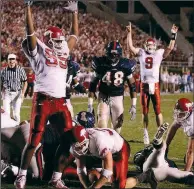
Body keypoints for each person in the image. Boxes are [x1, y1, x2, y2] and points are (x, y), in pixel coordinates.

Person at [14, 1, 78, 189]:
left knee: (69, 140)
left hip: (60, 101)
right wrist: (27, 9)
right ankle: (21, 175)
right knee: (34, 140)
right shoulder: (40, 49)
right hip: (43, 99)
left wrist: (75, 13)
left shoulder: (64, 50)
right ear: (48, 40)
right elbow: (30, 33)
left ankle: (56, 178)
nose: (61, 43)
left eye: (61, 41)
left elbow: (74, 35)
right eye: (57, 41)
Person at [127, 22, 178, 145]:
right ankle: (145, 132)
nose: (150, 46)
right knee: (145, 111)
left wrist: (173, 35)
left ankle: (160, 133)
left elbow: (170, 48)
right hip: (144, 85)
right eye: (148, 44)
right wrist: (129, 33)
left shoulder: (158, 53)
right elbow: (131, 48)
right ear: (146, 45)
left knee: (157, 110)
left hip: (154, 85)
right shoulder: (142, 52)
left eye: (151, 44)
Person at [88, 41, 137, 133]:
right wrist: (90, 104)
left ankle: (115, 146)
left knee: (117, 127)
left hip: (118, 96)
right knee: (101, 125)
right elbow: (93, 83)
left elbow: (132, 86)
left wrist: (133, 105)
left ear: (119, 54)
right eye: (111, 54)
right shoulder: (100, 63)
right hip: (104, 95)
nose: (113, 57)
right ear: (107, 53)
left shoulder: (125, 65)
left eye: (115, 54)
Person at [131, 122, 194, 188]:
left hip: (163, 170)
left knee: (188, 175)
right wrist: (144, 153)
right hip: (154, 169)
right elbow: (137, 160)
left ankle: (158, 142)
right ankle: (158, 142)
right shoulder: (146, 153)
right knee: (160, 150)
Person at [166, 98, 194, 172]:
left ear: (188, 113)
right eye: (177, 112)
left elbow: (191, 151)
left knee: (190, 160)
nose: (178, 115)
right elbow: (174, 127)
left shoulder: (192, 123)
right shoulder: (187, 111)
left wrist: (185, 173)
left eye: (181, 113)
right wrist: (166, 145)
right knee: (187, 160)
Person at [1, 53, 27, 123]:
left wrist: (23, 94)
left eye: (13, 60)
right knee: (6, 114)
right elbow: (2, 83)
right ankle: (6, 130)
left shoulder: (20, 70)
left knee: (16, 114)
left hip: (17, 93)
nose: (12, 62)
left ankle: (17, 130)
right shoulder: (4, 71)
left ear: (15, 61)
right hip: (7, 93)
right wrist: (1, 92)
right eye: (10, 60)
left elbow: (25, 83)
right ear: (7, 61)